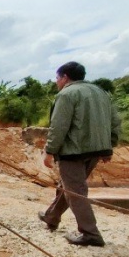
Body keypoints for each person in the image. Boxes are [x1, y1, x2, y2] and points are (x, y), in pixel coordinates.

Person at [38, 61, 121, 247]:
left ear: (65, 77)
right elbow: (114, 121)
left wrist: (49, 151)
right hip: (96, 149)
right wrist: (109, 146)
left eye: (57, 78)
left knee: (75, 191)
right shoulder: (101, 93)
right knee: (68, 185)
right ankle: (52, 216)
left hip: (73, 151)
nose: (56, 82)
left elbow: (59, 126)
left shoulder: (67, 94)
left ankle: (90, 233)